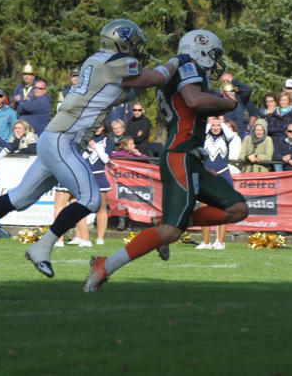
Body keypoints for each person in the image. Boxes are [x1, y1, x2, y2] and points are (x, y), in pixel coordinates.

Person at [0, 19, 184, 275]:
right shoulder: (115, 63)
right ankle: (42, 247)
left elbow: (123, 90)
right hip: (64, 140)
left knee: (20, 198)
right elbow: (154, 77)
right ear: (120, 43)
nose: (135, 50)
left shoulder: (97, 61)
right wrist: (178, 61)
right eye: (132, 45)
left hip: (54, 138)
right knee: (91, 199)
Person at [84, 29, 248, 292]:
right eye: (214, 54)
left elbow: (194, 102)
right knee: (172, 231)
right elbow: (194, 100)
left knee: (237, 209)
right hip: (180, 155)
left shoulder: (182, 69)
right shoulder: (187, 65)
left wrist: (225, 101)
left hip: (192, 156)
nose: (216, 60)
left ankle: (172, 221)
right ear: (202, 50)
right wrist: (229, 104)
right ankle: (105, 264)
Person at [197, 117, 239, 249]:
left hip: (223, 174)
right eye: (213, 126)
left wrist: (221, 122)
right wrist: (209, 123)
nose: (215, 128)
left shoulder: (226, 137)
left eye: (218, 126)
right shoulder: (203, 137)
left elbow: (231, 134)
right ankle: (205, 242)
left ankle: (220, 241)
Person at [82, 123, 112, 245]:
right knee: (82, 207)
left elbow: (106, 159)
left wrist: (96, 147)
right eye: (96, 126)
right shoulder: (85, 139)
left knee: (101, 207)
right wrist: (89, 149)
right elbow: (81, 158)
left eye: (100, 126)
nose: (98, 129)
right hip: (85, 175)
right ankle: (83, 237)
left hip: (99, 175)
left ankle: (100, 238)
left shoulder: (107, 141)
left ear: (104, 126)